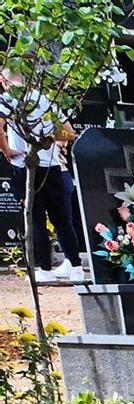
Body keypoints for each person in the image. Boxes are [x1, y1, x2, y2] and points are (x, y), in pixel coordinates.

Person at [2, 83, 89, 283]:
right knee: (62, 219)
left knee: (35, 219)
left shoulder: (9, 98)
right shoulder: (46, 99)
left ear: (5, 81)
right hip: (52, 166)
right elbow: (68, 132)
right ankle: (76, 267)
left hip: (25, 165)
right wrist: (45, 139)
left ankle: (45, 269)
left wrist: (6, 149)